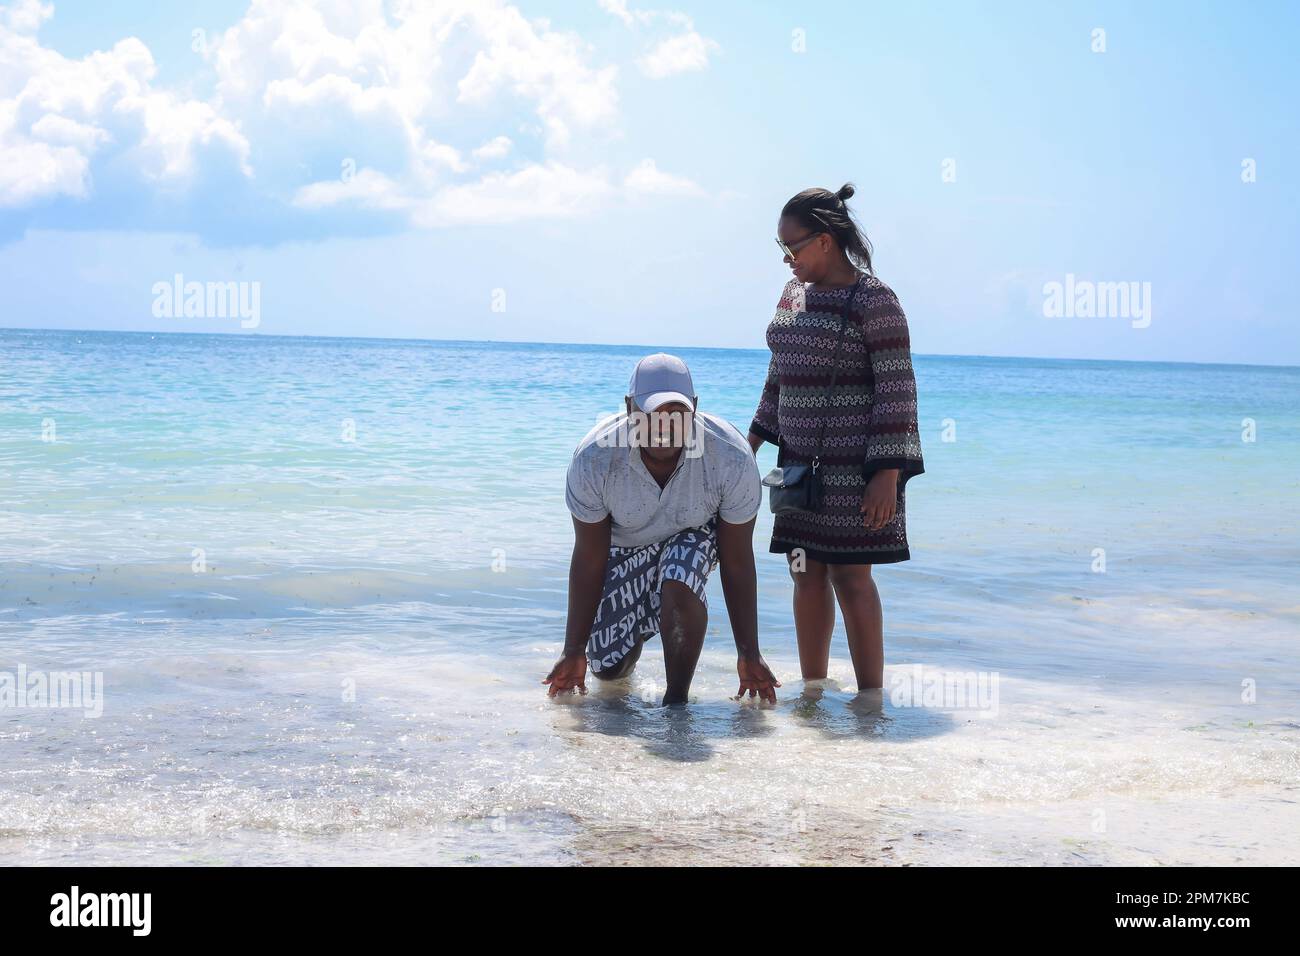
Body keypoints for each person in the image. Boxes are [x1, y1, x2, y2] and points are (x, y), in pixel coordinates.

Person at [748, 183, 924, 691]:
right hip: (798, 468)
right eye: (781, 249)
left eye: (793, 247)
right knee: (804, 574)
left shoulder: (875, 301)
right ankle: (814, 694)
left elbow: (898, 389)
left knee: (852, 579)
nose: (787, 260)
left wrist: (887, 474)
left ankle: (870, 700)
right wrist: (750, 445)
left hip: (858, 472)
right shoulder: (790, 298)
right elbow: (778, 378)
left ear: (825, 240)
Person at [544, 353, 781, 706]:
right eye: (651, 414)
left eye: (677, 414)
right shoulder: (594, 458)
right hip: (624, 549)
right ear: (629, 409)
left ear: (695, 409)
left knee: (679, 576)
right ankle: (636, 635)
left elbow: (737, 561)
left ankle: (676, 705)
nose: (664, 426)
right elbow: (591, 556)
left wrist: (749, 652)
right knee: (609, 671)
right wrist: (573, 648)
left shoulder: (731, 456)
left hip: (694, 536)